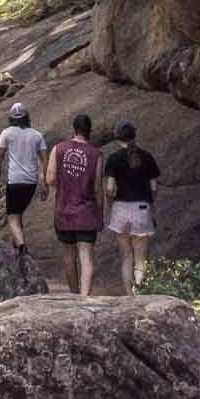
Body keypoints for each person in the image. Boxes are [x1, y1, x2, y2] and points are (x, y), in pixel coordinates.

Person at [46, 112, 103, 297]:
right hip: (86, 212)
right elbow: (97, 187)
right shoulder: (96, 154)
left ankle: (74, 294)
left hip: (64, 211)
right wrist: (100, 213)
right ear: (89, 131)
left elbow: (50, 178)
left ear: (73, 130)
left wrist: (65, 182)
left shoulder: (58, 149)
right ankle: (85, 299)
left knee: (69, 256)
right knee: (86, 257)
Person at [104, 119, 160, 294]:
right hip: (142, 209)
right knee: (141, 259)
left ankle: (129, 297)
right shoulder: (147, 157)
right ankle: (140, 294)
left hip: (120, 209)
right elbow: (154, 187)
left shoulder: (113, 159)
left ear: (117, 138)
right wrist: (150, 204)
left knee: (126, 257)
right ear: (134, 136)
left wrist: (109, 204)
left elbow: (110, 188)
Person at [0, 101, 47, 262]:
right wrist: (44, 182)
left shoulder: (7, 133)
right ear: (26, 117)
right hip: (31, 182)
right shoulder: (37, 135)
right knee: (18, 214)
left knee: (12, 217)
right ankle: (16, 246)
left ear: (11, 118)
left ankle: (22, 246)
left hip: (14, 180)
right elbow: (44, 160)